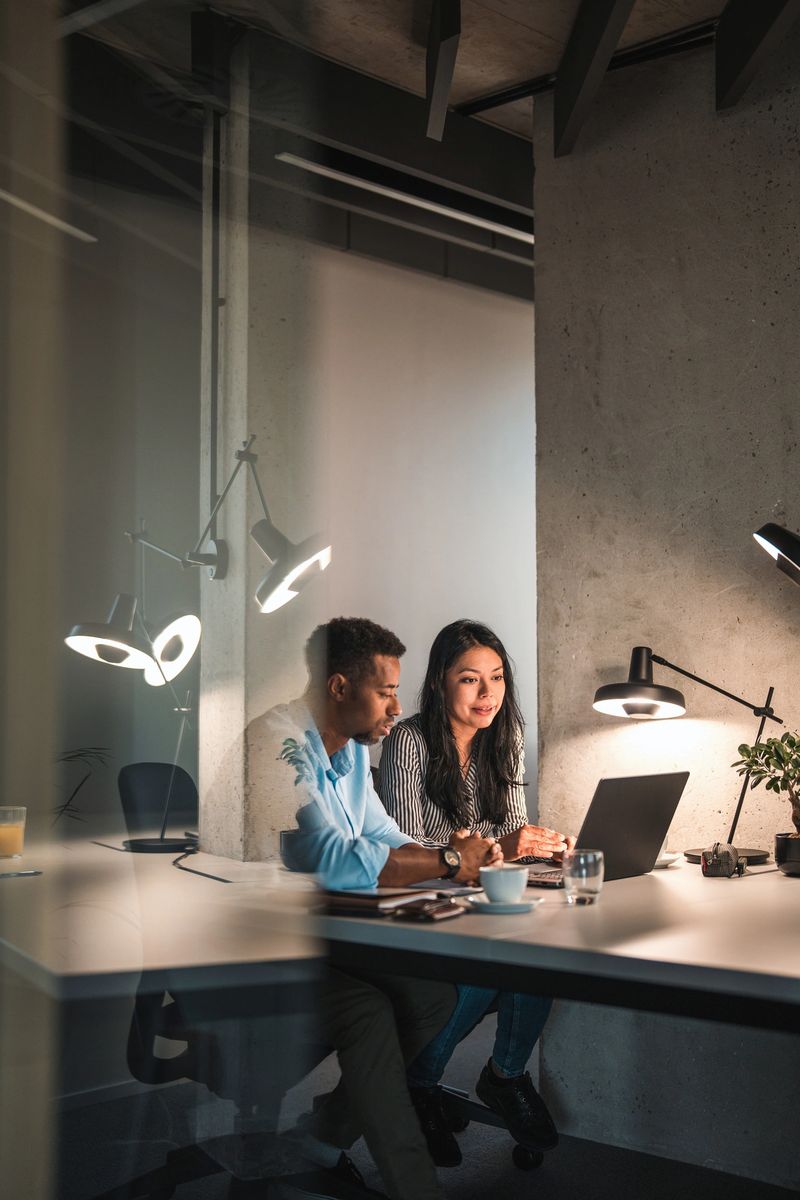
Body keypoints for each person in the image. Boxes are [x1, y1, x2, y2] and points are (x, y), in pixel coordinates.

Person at [263, 616, 501, 1200]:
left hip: (328, 935)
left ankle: (319, 1139)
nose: (396, 706)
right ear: (339, 687)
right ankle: (416, 1187)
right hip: (261, 947)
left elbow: (386, 836)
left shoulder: (347, 754)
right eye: (385, 690)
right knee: (369, 1010)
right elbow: (333, 857)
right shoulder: (277, 745)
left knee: (431, 995)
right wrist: (448, 860)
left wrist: (464, 859)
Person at [379, 618, 573, 1168]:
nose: (488, 693)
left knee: (539, 948)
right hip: (418, 902)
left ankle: (504, 1077)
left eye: (496, 677)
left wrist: (543, 846)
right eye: (470, 679)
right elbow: (408, 844)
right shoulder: (409, 741)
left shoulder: (502, 738)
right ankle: (418, 1084)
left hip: (477, 899)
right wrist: (504, 845)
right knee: (488, 967)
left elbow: (512, 826)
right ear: (441, 682)